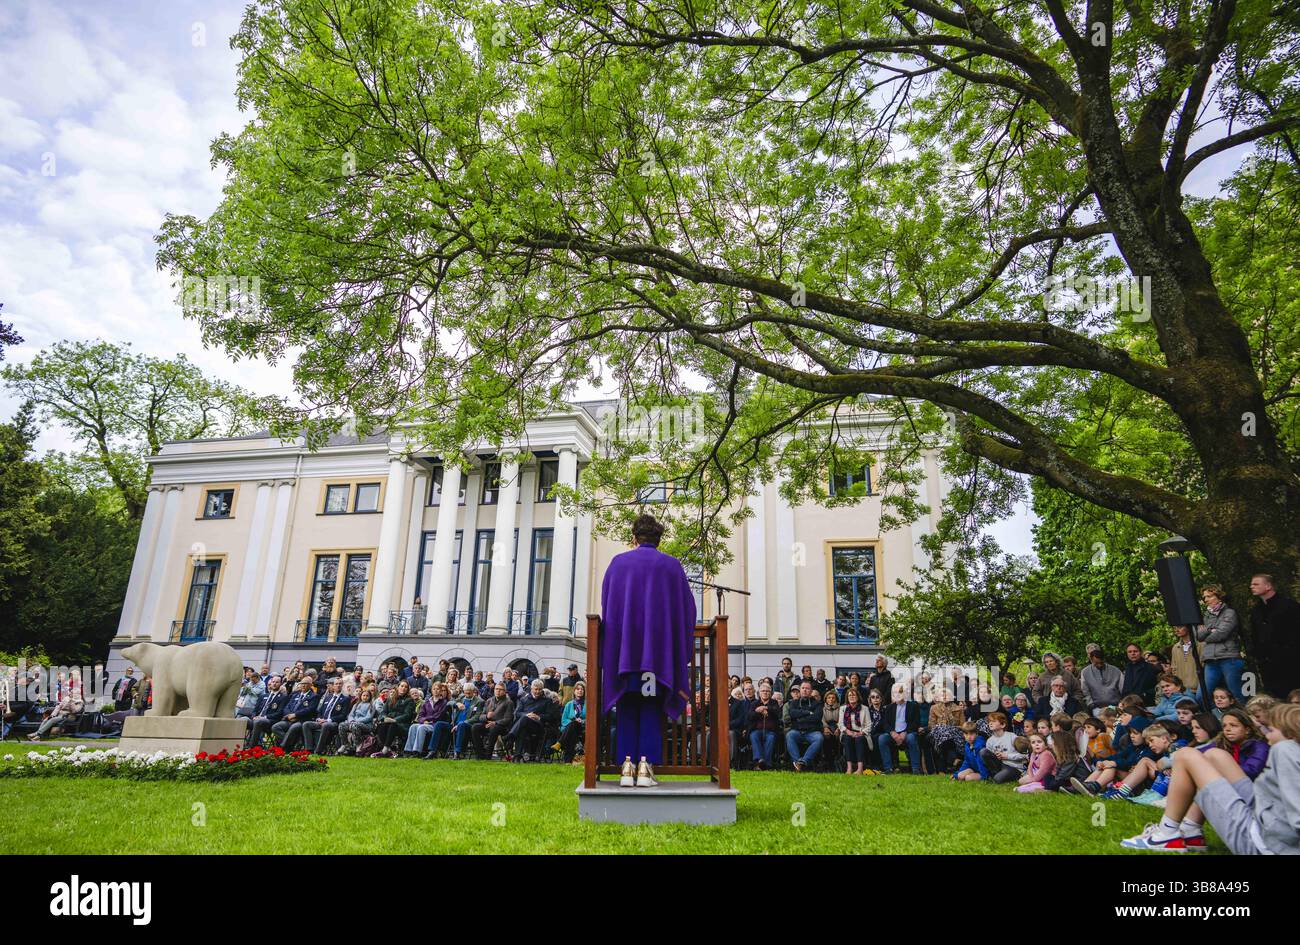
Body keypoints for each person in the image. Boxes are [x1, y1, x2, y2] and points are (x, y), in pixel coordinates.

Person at [1120, 702, 1300, 853]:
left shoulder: (1285, 749)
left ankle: (1167, 834)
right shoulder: (1288, 749)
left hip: (1264, 842)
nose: (1266, 733)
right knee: (1215, 755)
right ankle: (1191, 830)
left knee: (1185, 756)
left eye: (1272, 729)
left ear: (1290, 734)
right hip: (1261, 814)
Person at [600, 513, 696, 788]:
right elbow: (688, 610)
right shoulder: (672, 565)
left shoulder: (618, 564)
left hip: (625, 655)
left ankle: (627, 767)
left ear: (634, 537)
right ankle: (645, 767)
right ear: (659, 539)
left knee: (628, 705)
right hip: (657, 658)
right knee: (652, 706)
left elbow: (608, 604)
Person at [1249, 573, 1300, 698]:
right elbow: (1255, 635)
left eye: (1256, 584)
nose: (1251, 587)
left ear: (1268, 586)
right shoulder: (1256, 610)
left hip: (1292, 661)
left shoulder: (1289, 606)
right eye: (1251, 584)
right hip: (1269, 665)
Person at [876, 685, 922, 774]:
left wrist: (905, 732)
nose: (898, 694)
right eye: (895, 692)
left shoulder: (913, 706)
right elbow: (885, 723)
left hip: (907, 733)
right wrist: (892, 732)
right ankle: (888, 768)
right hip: (893, 734)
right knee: (882, 738)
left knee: (911, 738)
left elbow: (915, 723)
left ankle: (915, 768)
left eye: (900, 692)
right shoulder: (889, 707)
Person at [302, 678, 351, 754]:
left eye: (340, 684)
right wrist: (318, 718)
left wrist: (328, 720)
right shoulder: (328, 697)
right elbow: (320, 711)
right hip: (321, 721)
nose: (338, 685)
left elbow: (343, 715)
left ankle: (318, 750)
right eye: (336, 684)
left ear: (342, 685)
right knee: (306, 724)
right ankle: (309, 749)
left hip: (334, 723)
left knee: (325, 725)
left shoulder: (345, 699)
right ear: (333, 686)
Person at [506, 679, 550, 762]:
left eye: (540, 689)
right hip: (524, 725)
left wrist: (538, 717)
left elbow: (550, 716)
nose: (537, 691)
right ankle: (517, 756)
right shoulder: (524, 700)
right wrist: (526, 715)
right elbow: (517, 713)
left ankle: (510, 736)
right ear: (532, 689)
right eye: (536, 689)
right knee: (523, 726)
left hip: (538, 726)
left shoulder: (547, 701)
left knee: (524, 719)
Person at [783, 680, 823, 771]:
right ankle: (797, 762)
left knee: (819, 738)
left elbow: (817, 717)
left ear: (811, 691)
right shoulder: (794, 702)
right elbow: (792, 714)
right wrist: (808, 712)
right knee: (789, 735)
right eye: (803, 688)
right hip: (797, 731)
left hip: (812, 731)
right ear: (800, 690)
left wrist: (800, 718)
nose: (805, 690)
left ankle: (804, 761)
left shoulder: (817, 703)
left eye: (807, 688)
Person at [979, 711, 1026, 784]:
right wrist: (997, 756)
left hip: (1013, 766)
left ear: (1003, 725)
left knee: (997, 779)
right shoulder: (989, 741)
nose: (990, 723)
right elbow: (988, 760)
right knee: (983, 751)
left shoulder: (1012, 736)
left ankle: (1001, 777)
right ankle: (995, 775)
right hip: (999, 766)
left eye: (994, 721)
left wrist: (1007, 756)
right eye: (989, 721)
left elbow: (1024, 755)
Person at [405, 683, 450, 757]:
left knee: (421, 727)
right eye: (434, 689)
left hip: (435, 724)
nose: (435, 691)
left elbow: (438, 715)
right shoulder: (427, 702)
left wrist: (427, 720)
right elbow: (420, 716)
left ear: (441, 691)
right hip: (426, 723)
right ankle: (408, 750)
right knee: (413, 726)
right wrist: (423, 721)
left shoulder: (444, 702)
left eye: (438, 689)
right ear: (431, 690)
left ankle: (417, 751)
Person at [272, 679, 320, 749]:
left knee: (293, 728)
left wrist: (295, 715)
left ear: (310, 685)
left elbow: (309, 710)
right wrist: (289, 716)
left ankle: (283, 747)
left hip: (302, 720)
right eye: (302, 683)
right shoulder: (295, 695)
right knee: (275, 727)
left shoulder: (314, 696)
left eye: (306, 683)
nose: (303, 685)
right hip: (289, 719)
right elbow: (287, 707)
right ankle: (290, 745)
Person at [471, 682, 514, 759]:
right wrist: (487, 717)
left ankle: (488, 755)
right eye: (496, 689)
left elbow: (508, 719)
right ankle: (480, 754)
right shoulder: (489, 701)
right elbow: (481, 716)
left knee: (494, 729)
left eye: (500, 690)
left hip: (501, 727)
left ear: (504, 691)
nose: (498, 691)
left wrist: (495, 722)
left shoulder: (508, 702)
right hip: (487, 724)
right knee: (475, 727)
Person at [372, 680, 416, 755]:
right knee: (381, 725)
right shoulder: (390, 699)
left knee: (392, 725)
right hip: (388, 722)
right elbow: (383, 712)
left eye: (406, 687)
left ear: (407, 689)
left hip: (402, 725)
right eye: (402, 686)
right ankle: (389, 750)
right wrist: (384, 718)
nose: (403, 688)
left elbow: (407, 715)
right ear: (398, 687)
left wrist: (394, 720)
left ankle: (385, 750)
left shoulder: (410, 700)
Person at [244, 676, 290, 748]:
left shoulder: (283, 697)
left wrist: (263, 717)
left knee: (259, 721)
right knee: (243, 719)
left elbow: (279, 713)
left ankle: (251, 747)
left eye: (277, 682)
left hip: (270, 721)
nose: (274, 684)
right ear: (270, 683)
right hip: (256, 719)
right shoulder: (263, 696)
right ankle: (239, 744)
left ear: (281, 684)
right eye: (273, 682)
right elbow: (255, 710)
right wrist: (253, 716)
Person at [748, 682, 781, 770]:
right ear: (759, 693)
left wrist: (765, 708)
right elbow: (750, 716)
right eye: (763, 691)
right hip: (756, 729)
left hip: (771, 730)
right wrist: (758, 711)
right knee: (754, 736)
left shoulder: (774, 702)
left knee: (770, 738)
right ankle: (760, 760)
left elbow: (777, 713)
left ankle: (765, 764)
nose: (765, 693)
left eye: (767, 691)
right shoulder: (754, 703)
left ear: (770, 693)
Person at [1080, 649, 1122, 715]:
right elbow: (1085, 691)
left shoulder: (1116, 671)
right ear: (1091, 660)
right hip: (1097, 707)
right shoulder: (1085, 672)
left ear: (1104, 659)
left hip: (1115, 706)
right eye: (1096, 663)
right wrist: (1091, 705)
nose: (1099, 665)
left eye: (1101, 662)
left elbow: (1122, 688)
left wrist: (1121, 704)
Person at [337, 688, 377, 753]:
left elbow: (368, 717)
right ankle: (345, 744)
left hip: (366, 725)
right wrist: (352, 720)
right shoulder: (356, 705)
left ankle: (358, 744)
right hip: (354, 722)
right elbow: (350, 715)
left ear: (370, 697)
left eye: (367, 696)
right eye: (363, 695)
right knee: (342, 725)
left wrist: (356, 721)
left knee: (355, 725)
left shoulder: (371, 706)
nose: (365, 697)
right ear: (361, 696)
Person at [559, 681, 587, 763]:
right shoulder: (568, 704)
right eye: (578, 689)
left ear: (584, 692)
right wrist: (574, 720)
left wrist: (582, 721)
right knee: (573, 725)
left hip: (582, 727)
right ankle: (576, 748)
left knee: (574, 726)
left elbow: (590, 719)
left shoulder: (588, 704)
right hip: (569, 728)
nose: (580, 691)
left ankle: (560, 743)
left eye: (582, 689)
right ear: (574, 691)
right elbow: (563, 720)